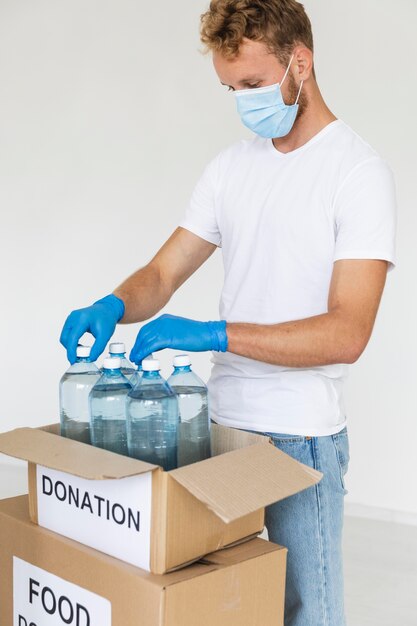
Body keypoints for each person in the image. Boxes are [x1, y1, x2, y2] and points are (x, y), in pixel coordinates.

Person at [60, 1, 396, 624]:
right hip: (217, 429)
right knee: (221, 607)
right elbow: (163, 273)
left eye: (252, 84)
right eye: (229, 88)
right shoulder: (230, 169)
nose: (243, 102)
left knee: (306, 613)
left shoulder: (356, 173)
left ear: (302, 60)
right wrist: (113, 302)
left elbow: (348, 331)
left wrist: (216, 333)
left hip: (302, 439)